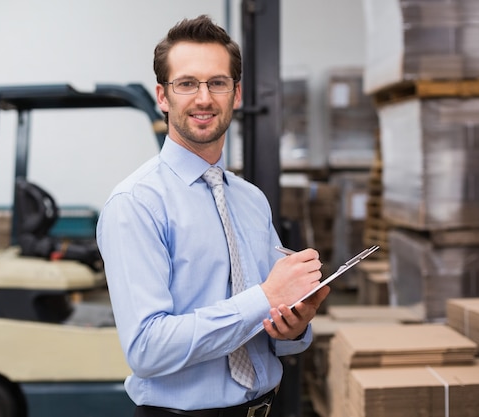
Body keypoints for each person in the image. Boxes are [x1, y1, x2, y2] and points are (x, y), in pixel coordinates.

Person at [96, 14, 330, 417]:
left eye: (217, 83)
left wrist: (293, 326)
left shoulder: (251, 200)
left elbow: (273, 327)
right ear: (163, 97)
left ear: (236, 95)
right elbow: (147, 349)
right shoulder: (136, 204)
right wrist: (265, 297)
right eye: (187, 83)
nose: (204, 98)